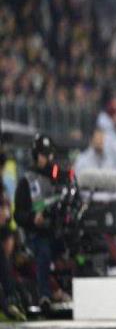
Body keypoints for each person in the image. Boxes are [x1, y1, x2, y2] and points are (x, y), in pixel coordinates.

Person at [14, 134, 59, 312]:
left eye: (49, 154)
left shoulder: (57, 178)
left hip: (57, 230)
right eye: (43, 154)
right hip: (35, 234)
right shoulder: (26, 181)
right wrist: (33, 219)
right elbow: (18, 214)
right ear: (35, 155)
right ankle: (44, 294)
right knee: (43, 249)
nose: (47, 158)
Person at [0, 150, 26, 320]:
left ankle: (10, 301)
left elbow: (6, 214)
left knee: (4, 262)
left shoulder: (3, 186)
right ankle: (8, 302)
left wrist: (10, 232)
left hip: (5, 230)